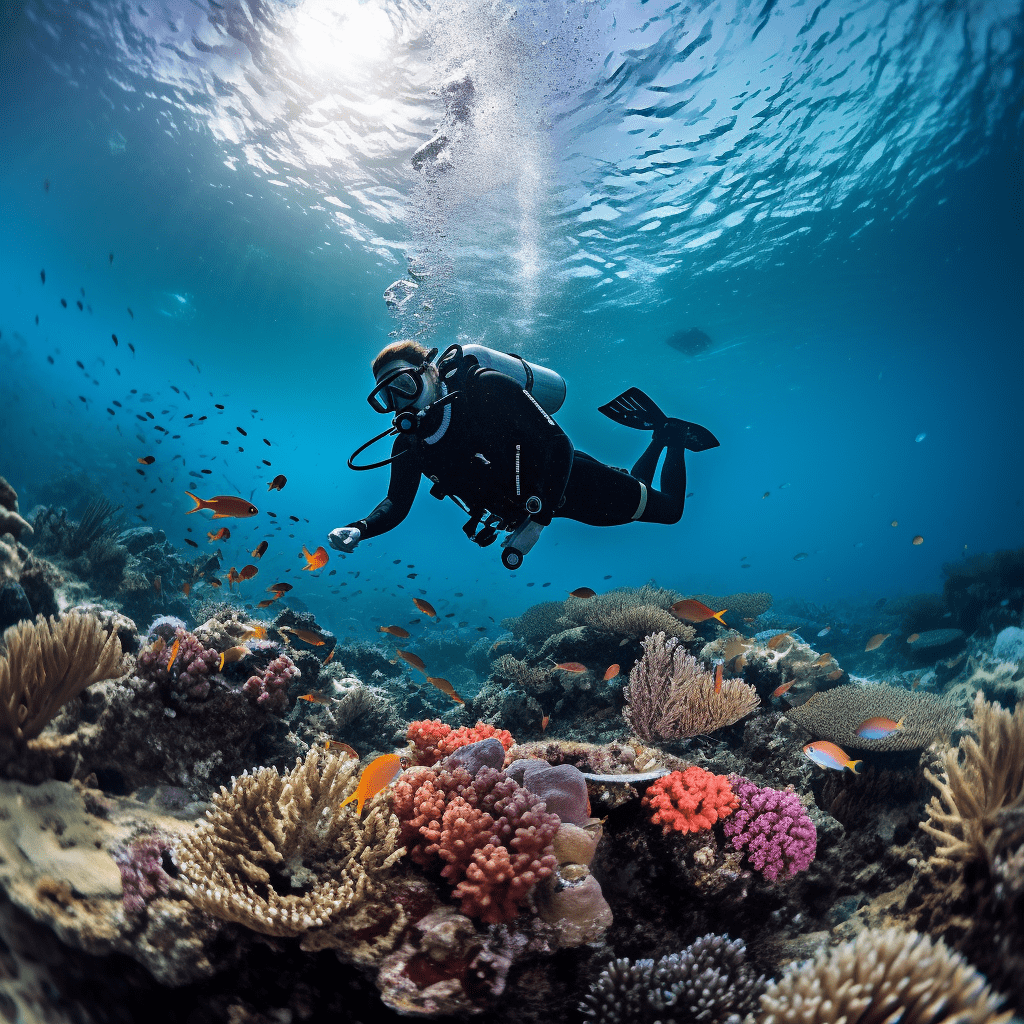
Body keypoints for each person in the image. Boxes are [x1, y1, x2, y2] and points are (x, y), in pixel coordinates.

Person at [329, 340, 719, 569]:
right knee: (631, 497)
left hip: (572, 480)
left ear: (428, 373)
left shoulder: (484, 388)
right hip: (545, 506)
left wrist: (537, 521)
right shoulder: (410, 444)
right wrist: (360, 528)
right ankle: (658, 439)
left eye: (403, 385)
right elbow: (395, 503)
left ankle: (673, 438)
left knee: (669, 512)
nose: (398, 403)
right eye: (386, 397)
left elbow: (557, 444)